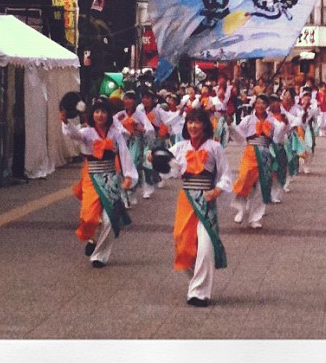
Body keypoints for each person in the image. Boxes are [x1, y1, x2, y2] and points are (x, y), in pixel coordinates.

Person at [163, 108, 232, 307]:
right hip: (186, 201)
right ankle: (198, 279)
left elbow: (226, 174)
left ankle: (199, 293)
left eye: (197, 122)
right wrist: (155, 160)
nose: (193, 126)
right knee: (182, 245)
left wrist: (218, 190)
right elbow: (169, 169)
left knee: (205, 247)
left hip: (206, 202)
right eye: (190, 122)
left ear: (205, 125)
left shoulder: (214, 148)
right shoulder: (180, 147)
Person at [61, 98, 138, 268]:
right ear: (92, 114)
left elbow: (124, 154)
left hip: (111, 178)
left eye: (103, 111)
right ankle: (92, 237)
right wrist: (65, 121)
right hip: (92, 178)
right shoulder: (86, 133)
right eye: (96, 111)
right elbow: (75, 135)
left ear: (108, 114)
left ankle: (99, 255)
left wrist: (129, 176)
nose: (100, 115)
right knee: (88, 217)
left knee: (110, 218)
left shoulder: (115, 134)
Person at [229, 94, 286, 229]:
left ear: (267, 106)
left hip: (266, 154)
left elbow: (278, 138)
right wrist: (230, 125)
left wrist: (285, 125)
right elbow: (239, 136)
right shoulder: (248, 119)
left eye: (263, 103)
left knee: (262, 187)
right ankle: (241, 208)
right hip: (250, 153)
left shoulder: (272, 121)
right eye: (258, 103)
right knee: (243, 180)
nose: (260, 106)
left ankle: (255, 217)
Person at [114, 90, 154, 208]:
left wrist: (140, 128)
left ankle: (131, 191)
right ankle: (124, 195)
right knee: (121, 169)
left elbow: (149, 127)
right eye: (126, 98)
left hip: (135, 142)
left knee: (133, 165)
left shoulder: (140, 114)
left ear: (134, 101)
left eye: (130, 98)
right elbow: (113, 124)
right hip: (122, 143)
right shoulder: (120, 114)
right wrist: (124, 130)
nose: (128, 101)